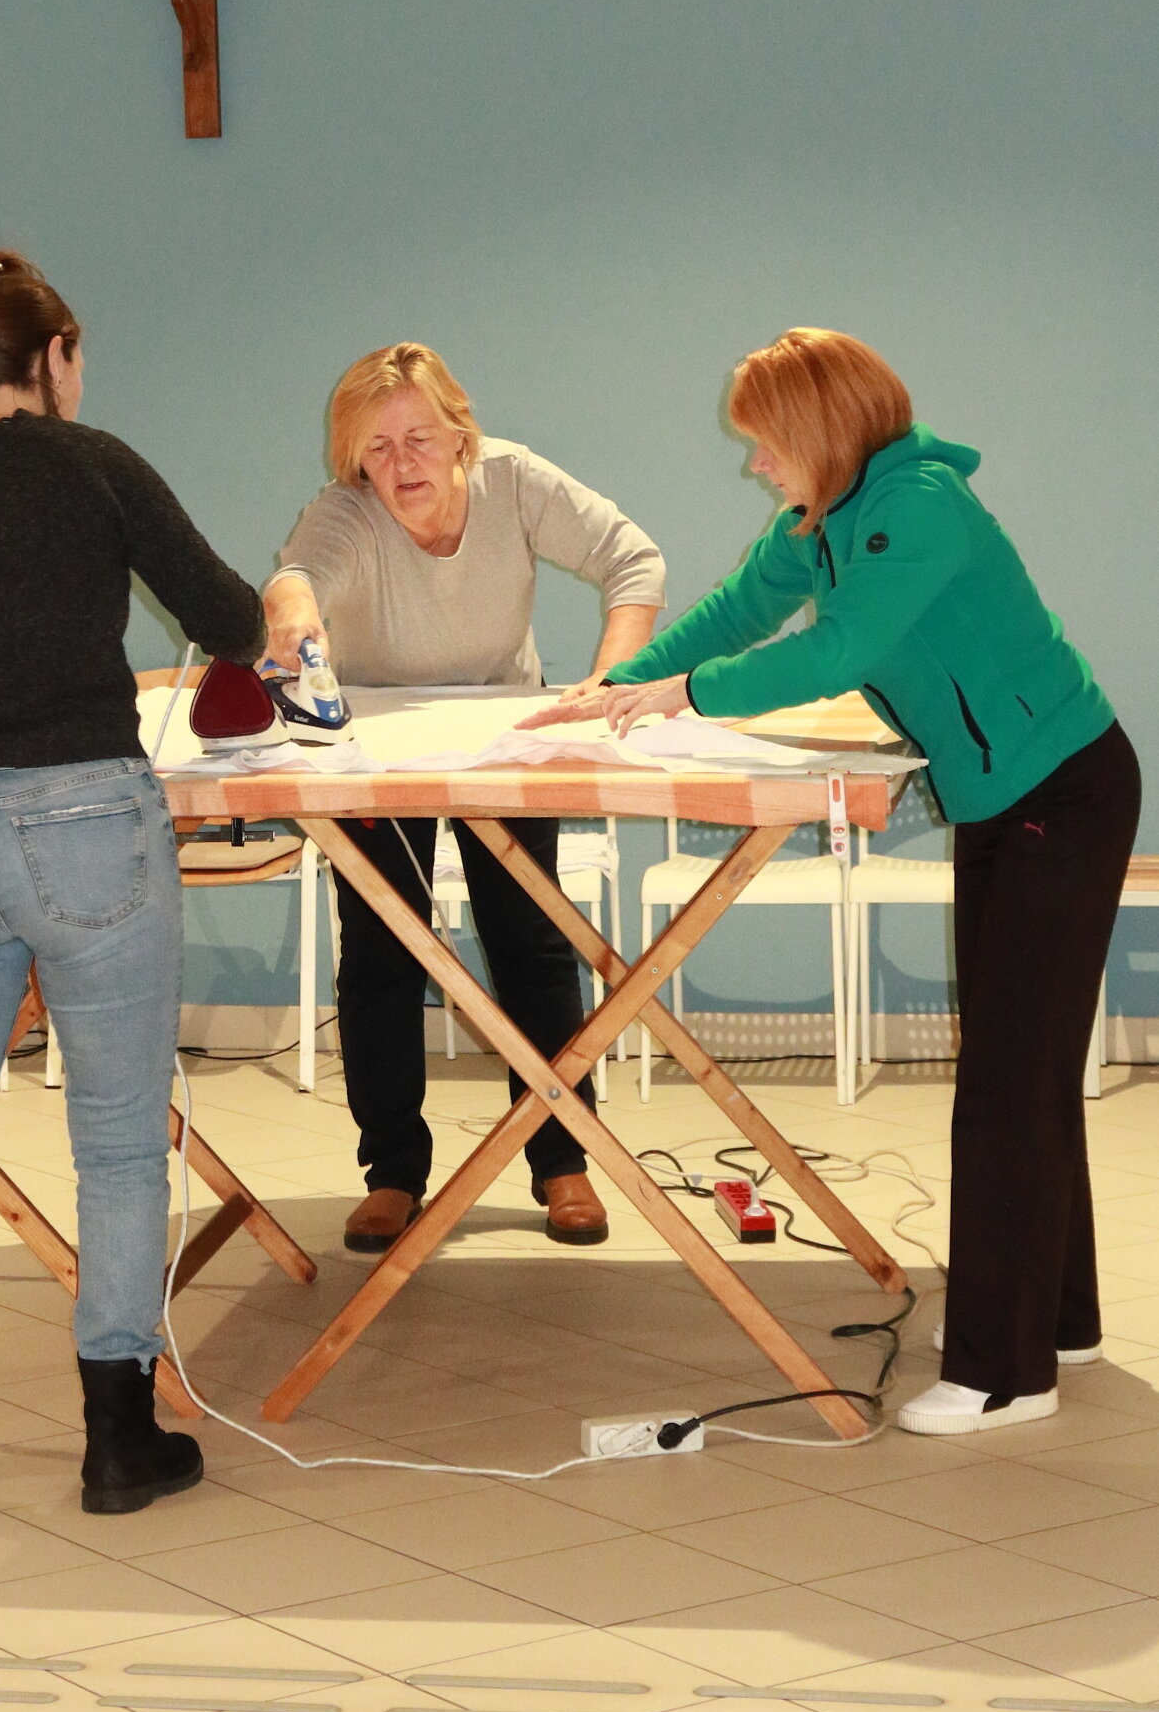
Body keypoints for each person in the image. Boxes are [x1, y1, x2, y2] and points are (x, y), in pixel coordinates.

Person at [526, 326, 1138, 1436]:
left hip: (1061, 793)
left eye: (767, 443)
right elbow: (738, 610)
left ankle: (1005, 1374)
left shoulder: (918, 508)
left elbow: (833, 652)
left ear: (820, 431)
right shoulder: (824, 517)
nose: (757, 465)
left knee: (1007, 1081)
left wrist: (685, 696)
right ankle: (1056, 1321)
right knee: (1026, 1069)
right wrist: (618, 686)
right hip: (1009, 797)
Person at [0, 247, 265, 1513]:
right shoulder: (96, 464)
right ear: (55, 354)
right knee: (118, 1145)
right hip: (85, 822)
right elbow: (231, 620)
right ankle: (118, 1441)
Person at [264, 342, 665, 1252]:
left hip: (504, 739)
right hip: (378, 754)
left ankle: (561, 1157)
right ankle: (393, 1170)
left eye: (418, 438)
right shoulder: (345, 512)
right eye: (377, 448)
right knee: (380, 954)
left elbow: (633, 558)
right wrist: (292, 614)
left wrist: (611, 679)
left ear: (459, 435)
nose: (401, 464)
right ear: (355, 461)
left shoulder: (514, 482)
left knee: (532, 946)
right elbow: (298, 579)